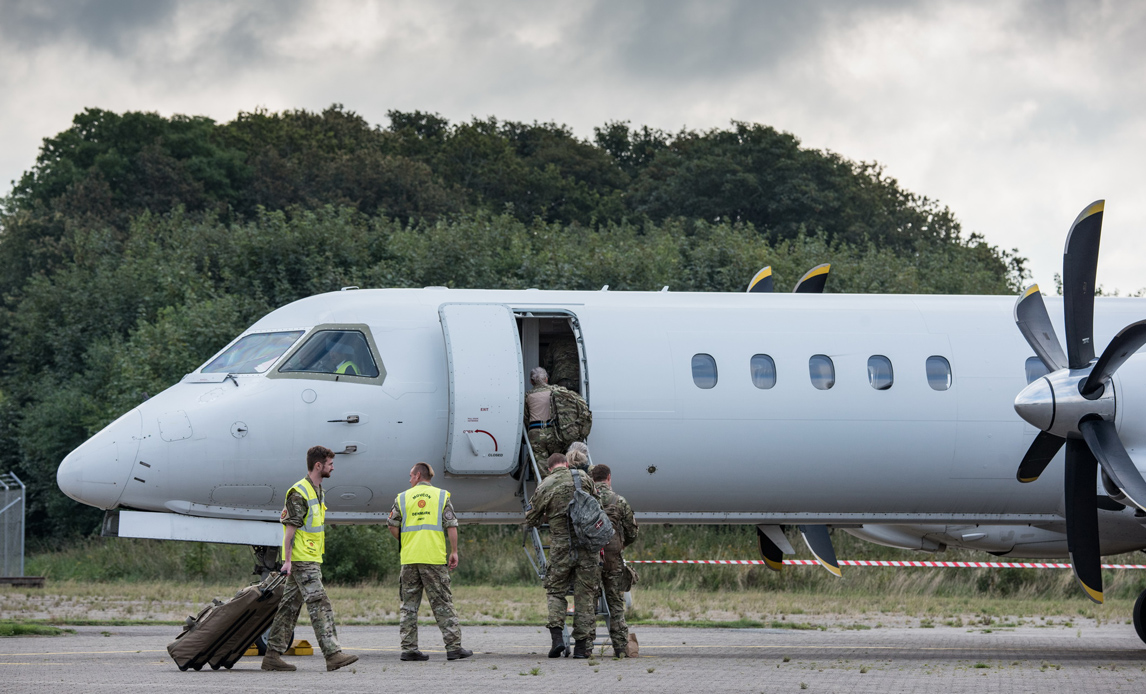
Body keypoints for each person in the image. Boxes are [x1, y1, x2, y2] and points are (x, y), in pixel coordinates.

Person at [262, 446, 359, 672]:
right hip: (302, 559)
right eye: (330, 464)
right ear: (318, 465)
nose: (333, 467)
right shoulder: (299, 492)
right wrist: (287, 561)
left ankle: (272, 656)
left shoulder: (318, 490)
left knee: (289, 608)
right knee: (319, 603)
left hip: (311, 558)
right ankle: (333, 654)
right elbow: (289, 530)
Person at [388, 462, 472, 662]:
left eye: (410, 475)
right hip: (433, 558)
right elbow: (451, 525)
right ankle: (453, 647)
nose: (409, 479)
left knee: (409, 606)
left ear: (418, 475)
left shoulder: (402, 497)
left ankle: (409, 649)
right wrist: (454, 551)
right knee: (442, 603)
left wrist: (407, 540)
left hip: (409, 559)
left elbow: (391, 525)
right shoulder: (442, 496)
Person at [525, 453, 601, 659]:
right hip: (587, 547)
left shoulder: (545, 485)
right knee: (585, 595)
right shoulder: (583, 479)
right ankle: (581, 648)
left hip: (561, 548)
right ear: (566, 465)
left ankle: (557, 639)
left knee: (555, 591)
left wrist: (546, 515)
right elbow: (598, 506)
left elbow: (530, 519)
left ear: (550, 468)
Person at [590, 464, 639, 658]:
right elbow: (632, 532)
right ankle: (620, 647)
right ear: (609, 478)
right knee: (616, 602)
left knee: (588, 602)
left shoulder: (586, 499)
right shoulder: (619, 501)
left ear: (592, 479)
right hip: (613, 557)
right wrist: (621, 545)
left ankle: (584, 647)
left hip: (590, 557)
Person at [524, 367, 561, 473]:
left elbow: (526, 417)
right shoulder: (555, 391)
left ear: (531, 381)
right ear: (546, 379)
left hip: (535, 433)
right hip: (554, 432)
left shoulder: (528, 396)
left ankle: (543, 486)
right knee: (557, 462)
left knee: (540, 465)